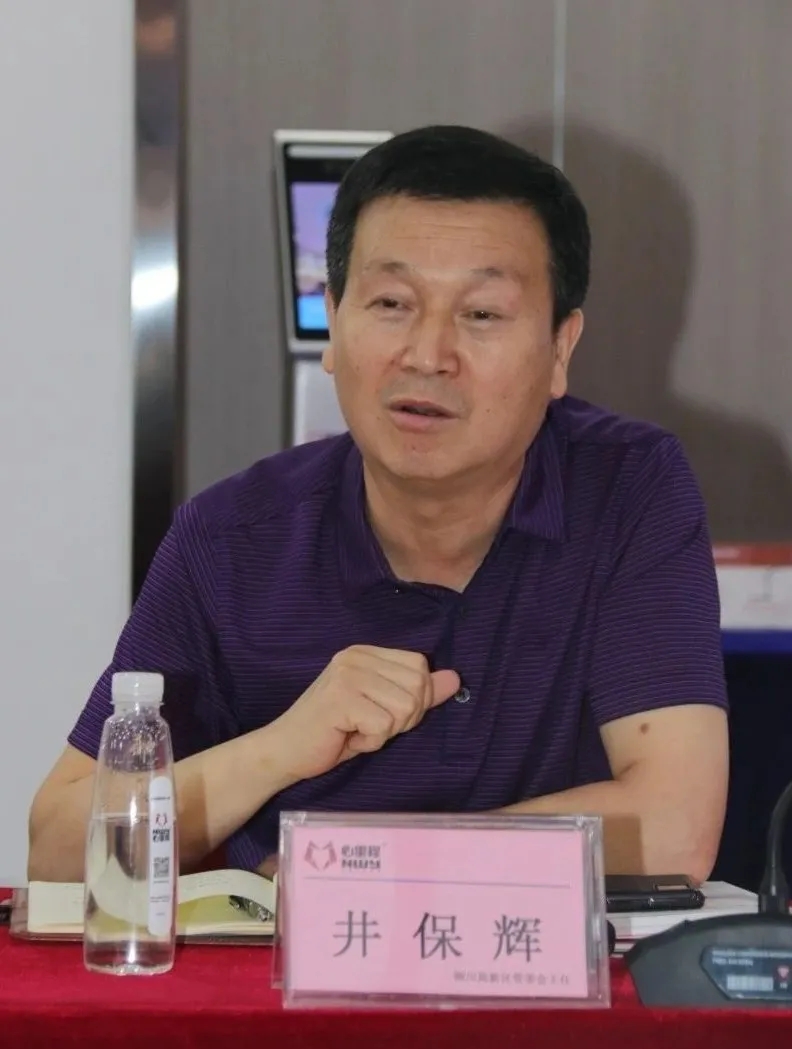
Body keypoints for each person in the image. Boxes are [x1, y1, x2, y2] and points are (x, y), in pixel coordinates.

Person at [28, 125, 729, 885]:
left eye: (481, 314)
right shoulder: (231, 539)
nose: (427, 355)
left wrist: (350, 866)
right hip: (292, 966)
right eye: (392, 302)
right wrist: (281, 748)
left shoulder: (628, 489)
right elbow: (60, 853)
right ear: (333, 321)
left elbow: (674, 829)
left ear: (560, 349)